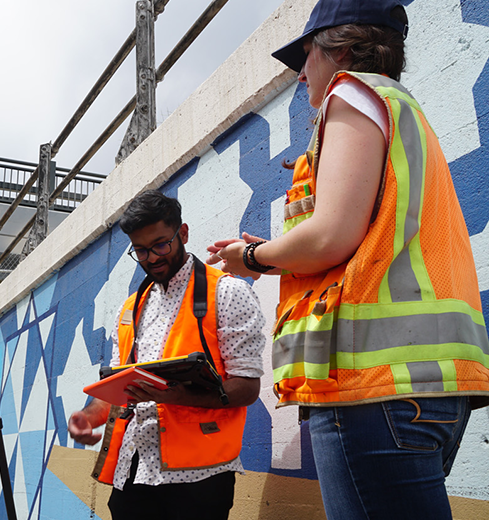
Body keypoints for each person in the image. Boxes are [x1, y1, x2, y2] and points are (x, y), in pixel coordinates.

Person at [206, 1, 489, 519]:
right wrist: (281, 254)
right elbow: (353, 240)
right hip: (430, 389)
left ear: (338, 49)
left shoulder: (351, 93)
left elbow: (331, 235)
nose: (300, 76)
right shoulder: (403, 113)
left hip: (372, 388)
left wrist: (251, 257)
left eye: (305, 57)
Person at [68, 189, 265, 520]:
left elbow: (247, 388)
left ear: (182, 233)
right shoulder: (130, 309)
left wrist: (178, 396)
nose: (152, 258)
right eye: (141, 250)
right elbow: (120, 388)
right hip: (132, 474)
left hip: (200, 478)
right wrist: (88, 417)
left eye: (161, 245)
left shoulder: (227, 292)